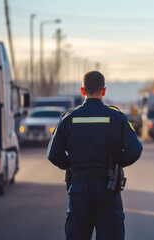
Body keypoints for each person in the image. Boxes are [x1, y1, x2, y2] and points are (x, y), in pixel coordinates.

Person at [47, 71, 143, 240]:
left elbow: (53, 154)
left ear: (83, 91)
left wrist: (71, 165)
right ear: (103, 91)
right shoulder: (117, 118)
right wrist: (115, 164)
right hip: (108, 189)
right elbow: (135, 150)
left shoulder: (68, 118)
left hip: (78, 190)